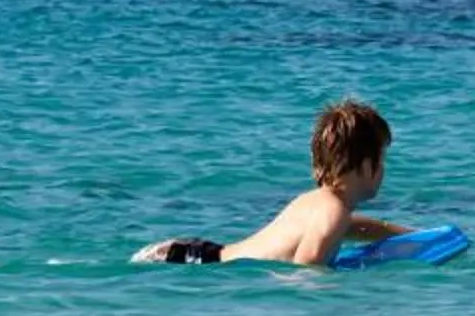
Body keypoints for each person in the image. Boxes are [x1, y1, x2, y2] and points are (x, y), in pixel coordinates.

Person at [127, 98, 410, 267]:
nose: (383, 169)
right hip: (195, 264)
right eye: (382, 159)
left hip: (193, 253)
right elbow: (306, 269)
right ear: (366, 166)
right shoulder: (332, 212)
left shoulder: (319, 204)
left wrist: (416, 237)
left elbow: (360, 227)